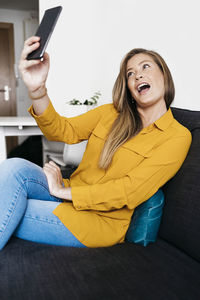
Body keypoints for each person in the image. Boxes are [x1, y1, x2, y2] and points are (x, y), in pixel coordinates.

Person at [0, 36, 192, 250]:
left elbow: (130, 191)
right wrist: (38, 90)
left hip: (98, 222)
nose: (138, 75)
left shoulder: (177, 136)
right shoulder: (110, 113)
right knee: (13, 167)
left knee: (11, 206)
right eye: (130, 74)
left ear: (164, 74)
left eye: (145, 67)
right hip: (68, 193)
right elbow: (62, 131)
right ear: (128, 87)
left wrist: (62, 191)